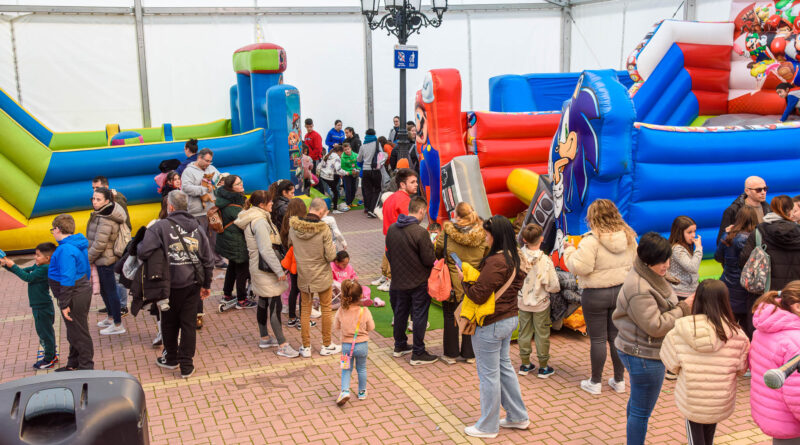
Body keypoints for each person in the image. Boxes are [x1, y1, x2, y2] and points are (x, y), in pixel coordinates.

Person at [613, 232, 692, 445]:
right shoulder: (639, 288)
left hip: (638, 349)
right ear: (647, 262)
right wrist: (685, 307)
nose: (666, 265)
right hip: (644, 355)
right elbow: (655, 326)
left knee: (638, 403)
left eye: (668, 259)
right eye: (662, 262)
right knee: (641, 411)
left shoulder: (646, 273)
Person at [458, 215, 528, 439]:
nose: (486, 237)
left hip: (491, 322)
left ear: (495, 235)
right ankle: (517, 416)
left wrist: (464, 280)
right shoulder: (514, 257)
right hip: (509, 318)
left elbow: (478, 295)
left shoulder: (496, 261)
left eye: (488, 234)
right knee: (503, 368)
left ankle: (488, 426)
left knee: (489, 375)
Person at [659, 279, 750, 445]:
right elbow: (742, 369)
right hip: (720, 398)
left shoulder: (679, 331)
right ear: (725, 301)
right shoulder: (738, 335)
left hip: (692, 398)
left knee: (695, 437)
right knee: (709, 435)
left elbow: (671, 364)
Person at [563, 199, 637, 395]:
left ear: (592, 217)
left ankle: (595, 382)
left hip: (595, 293)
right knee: (616, 337)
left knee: (597, 339)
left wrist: (569, 251)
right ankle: (619, 380)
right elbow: (636, 263)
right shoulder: (629, 236)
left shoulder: (591, 240)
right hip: (621, 291)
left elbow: (581, 267)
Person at [138, 190, 214, 379]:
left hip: (168, 284)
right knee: (188, 324)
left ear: (170, 207)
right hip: (192, 282)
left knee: (169, 322)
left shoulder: (159, 227)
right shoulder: (197, 226)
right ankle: (187, 366)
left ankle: (171, 358)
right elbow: (207, 258)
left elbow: (143, 251)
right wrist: (207, 283)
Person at [234, 190, 299, 358]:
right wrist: (279, 270)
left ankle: (264, 337)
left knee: (263, 300)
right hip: (266, 268)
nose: (272, 204)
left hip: (257, 266)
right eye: (269, 202)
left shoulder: (253, 218)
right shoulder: (260, 222)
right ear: (262, 205)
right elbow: (265, 248)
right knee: (275, 303)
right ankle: (282, 344)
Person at [385, 196, 438, 365]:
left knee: (400, 312)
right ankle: (418, 352)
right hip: (418, 280)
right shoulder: (420, 232)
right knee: (419, 315)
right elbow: (429, 259)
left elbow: (388, 253)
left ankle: (399, 345)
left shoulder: (393, 229)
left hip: (399, 279)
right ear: (421, 210)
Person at [434, 202, 488, 365]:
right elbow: (487, 254)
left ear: (456, 215)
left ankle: (451, 354)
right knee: (470, 314)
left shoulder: (447, 233)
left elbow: (438, 251)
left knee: (450, 315)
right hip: (474, 280)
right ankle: (469, 353)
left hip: (452, 281)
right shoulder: (483, 233)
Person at [749, 281, 800, 444]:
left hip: (772, 412)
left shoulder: (766, 327)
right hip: (791, 421)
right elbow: (796, 394)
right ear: (797, 307)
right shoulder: (795, 340)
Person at [288, 198, 339, 358]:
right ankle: (326, 344)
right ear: (323, 212)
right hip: (322, 274)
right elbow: (331, 256)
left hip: (303, 273)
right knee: (326, 309)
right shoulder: (324, 229)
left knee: (305, 310)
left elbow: (291, 245)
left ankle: (306, 347)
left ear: (310, 208)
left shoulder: (293, 227)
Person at [181, 147, 223, 324]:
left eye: (210, 161)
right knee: (200, 239)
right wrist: (203, 189)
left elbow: (219, 180)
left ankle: (213, 259)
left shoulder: (212, 170)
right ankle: (202, 260)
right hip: (197, 211)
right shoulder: (189, 171)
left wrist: (219, 184)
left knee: (213, 236)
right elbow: (186, 188)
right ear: (199, 158)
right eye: (206, 161)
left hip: (211, 209)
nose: (208, 164)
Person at [1, 243, 58, 369]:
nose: (35, 257)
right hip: (40, 305)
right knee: (45, 331)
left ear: (47, 258)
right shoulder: (40, 266)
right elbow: (24, 271)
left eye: (38, 255)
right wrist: (7, 265)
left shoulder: (45, 268)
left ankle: (49, 358)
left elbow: (27, 277)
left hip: (42, 306)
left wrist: (13, 265)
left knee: (45, 333)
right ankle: (51, 353)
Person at [48, 214, 93, 371]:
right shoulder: (76, 244)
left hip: (74, 294)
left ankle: (86, 367)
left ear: (58, 229)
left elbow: (67, 278)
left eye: (52, 229)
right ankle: (73, 364)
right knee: (74, 330)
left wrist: (64, 303)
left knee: (79, 332)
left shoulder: (65, 249)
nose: (52, 233)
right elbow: (86, 269)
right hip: (81, 290)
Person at [517, 224, 560, 378]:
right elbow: (554, 285)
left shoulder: (518, 257)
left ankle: (525, 364)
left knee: (524, 332)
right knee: (542, 334)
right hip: (541, 302)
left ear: (524, 239)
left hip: (522, 301)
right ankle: (543, 366)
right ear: (541, 239)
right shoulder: (546, 261)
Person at [87, 187, 127, 335]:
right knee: (105, 290)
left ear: (107, 201)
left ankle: (118, 324)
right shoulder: (101, 214)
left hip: (106, 260)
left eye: (98, 199)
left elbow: (100, 244)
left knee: (111, 291)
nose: (95, 202)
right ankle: (110, 318)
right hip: (100, 259)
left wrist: (87, 259)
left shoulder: (106, 218)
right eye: (93, 198)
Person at [715, 206, 759, 339]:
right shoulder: (754, 239)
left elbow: (718, 257)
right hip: (746, 287)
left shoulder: (728, 237)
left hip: (727, 284)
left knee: (730, 324)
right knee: (747, 326)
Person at [740, 195, 800, 290]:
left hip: (768, 291)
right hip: (795, 290)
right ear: (791, 210)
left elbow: (745, 258)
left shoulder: (759, 232)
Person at [376, 169, 420, 292]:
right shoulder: (405, 201)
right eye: (412, 182)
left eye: (416, 181)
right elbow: (410, 226)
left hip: (390, 239)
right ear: (402, 184)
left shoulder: (390, 198)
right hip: (401, 243)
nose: (416, 184)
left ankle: (387, 279)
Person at [334, 279, 376, 406]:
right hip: (362, 345)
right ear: (360, 296)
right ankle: (362, 392)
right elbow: (371, 327)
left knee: (346, 369)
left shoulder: (341, 310)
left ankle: (345, 390)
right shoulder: (364, 311)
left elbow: (336, 326)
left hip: (346, 346)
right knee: (362, 368)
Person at [216, 175, 254, 309]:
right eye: (238, 184)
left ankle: (227, 294)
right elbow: (244, 220)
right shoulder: (233, 204)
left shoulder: (225, 198)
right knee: (242, 269)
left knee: (232, 267)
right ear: (231, 188)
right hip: (236, 240)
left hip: (228, 238)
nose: (241, 185)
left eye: (241, 182)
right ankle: (242, 299)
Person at [281, 198, 310, 328]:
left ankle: (292, 317)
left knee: (294, 289)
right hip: (301, 261)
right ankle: (303, 319)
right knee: (303, 291)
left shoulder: (286, 223)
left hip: (291, 261)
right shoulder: (301, 225)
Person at [717, 176, 769, 244]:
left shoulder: (768, 208)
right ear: (747, 191)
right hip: (743, 251)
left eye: (765, 189)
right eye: (758, 190)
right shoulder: (733, 210)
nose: (763, 192)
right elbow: (721, 241)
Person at [667, 216, 703, 300]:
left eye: (694, 231)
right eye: (689, 232)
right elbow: (692, 267)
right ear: (679, 233)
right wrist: (698, 248)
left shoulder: (684, 246)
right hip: (681, 293)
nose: (693, 235)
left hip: (689, 291)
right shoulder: (677, 249)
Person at [357, 128, 383, 218]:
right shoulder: (377, 144)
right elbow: (381, 155)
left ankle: (368, 208)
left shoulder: (363, 146)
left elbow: (359, 159)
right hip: (375, 170)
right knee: (377, 190)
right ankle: (372, 210)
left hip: (365, 171)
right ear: (374, 134)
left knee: (367, 190)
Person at [317, 145, 345, 213]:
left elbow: (319, 165)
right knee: (335, 192)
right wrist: (346, 173)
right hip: (331, 176)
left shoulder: (327, 155)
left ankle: (331, 204)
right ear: (339, 152)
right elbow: (338, 169)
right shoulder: (337, 157)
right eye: (341, 153)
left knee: (329, 191)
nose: (341, 155)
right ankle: (335, 209)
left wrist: (317, 174)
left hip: (323, 176)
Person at [303, 119, 325, 191]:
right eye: (307, 127)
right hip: (308, 160)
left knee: (316, 178)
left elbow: (318, 149)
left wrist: (310, 158)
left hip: (315, 160)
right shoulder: (306, 136)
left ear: (313, 125)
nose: (309, 128)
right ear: (305, 126)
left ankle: (322, 194)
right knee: (310, 177)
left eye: (310, 126)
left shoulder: (316, 135)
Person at [340, 143, 359, 210]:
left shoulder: (356, 155)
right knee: (348, 189)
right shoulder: (342, 157)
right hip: (347, 175)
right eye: (345, 150)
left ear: (350, 148)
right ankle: (347, 203)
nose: (347, 151)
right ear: (343, 150)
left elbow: (358, 164)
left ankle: (350, 202)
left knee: (354, 188)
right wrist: (351, 172)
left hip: (355, 174)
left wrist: (357, 170)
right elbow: (343, 168)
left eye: (348, 149)